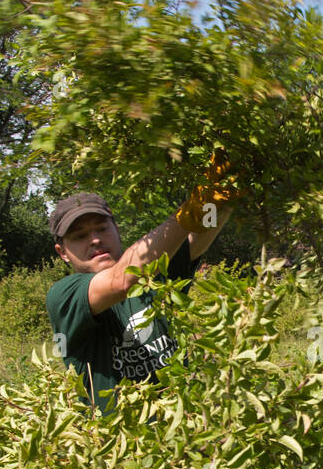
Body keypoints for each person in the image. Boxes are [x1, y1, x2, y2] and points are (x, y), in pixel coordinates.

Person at [45, 150, 239, 415]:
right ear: (62, 252)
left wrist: (221, 201)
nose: (95, 240)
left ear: (116, 229)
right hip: (116, 447)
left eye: (102, 228)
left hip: (185, 438)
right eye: (79, 236)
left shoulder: (154, 273)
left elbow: (200, 235)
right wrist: (188, 212)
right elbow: (119, 282)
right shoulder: (65, 295)